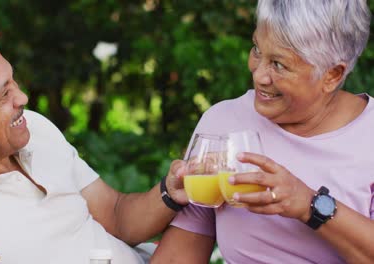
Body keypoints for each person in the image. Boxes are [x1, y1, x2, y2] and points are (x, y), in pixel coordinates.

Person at [0, 25, 188, 264]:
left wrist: (170, 191)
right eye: (3, 95)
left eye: (13, 82)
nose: (23, 98)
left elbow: (116, 215)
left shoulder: (34, 129)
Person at [151, 0, 374, 263]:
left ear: (332, 75)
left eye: (279, 64)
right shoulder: (224, 123)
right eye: (257, 49)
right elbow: (181, 252)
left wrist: (308, 204)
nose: (259, 75)